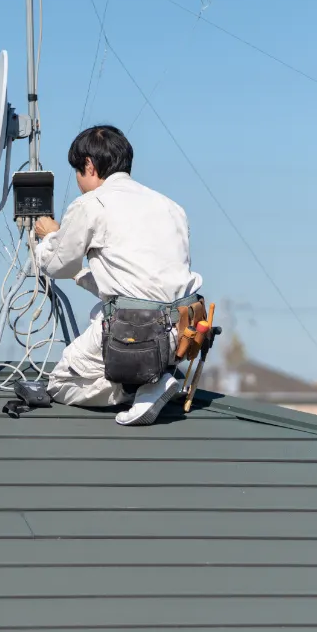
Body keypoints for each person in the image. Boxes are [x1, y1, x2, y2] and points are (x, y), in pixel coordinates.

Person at [33, 124, 203, 426]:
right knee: (109, 311)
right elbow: (139, 283)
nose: (78, 182)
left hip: (136, 334)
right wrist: (82, 274)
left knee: (60, 383)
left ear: (89, 165)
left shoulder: (91, 204)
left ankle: (139, 388)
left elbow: (57, 265)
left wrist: (50, 238)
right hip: (182, 334)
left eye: (78, 172)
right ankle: (154, 377)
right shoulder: (171, 207)